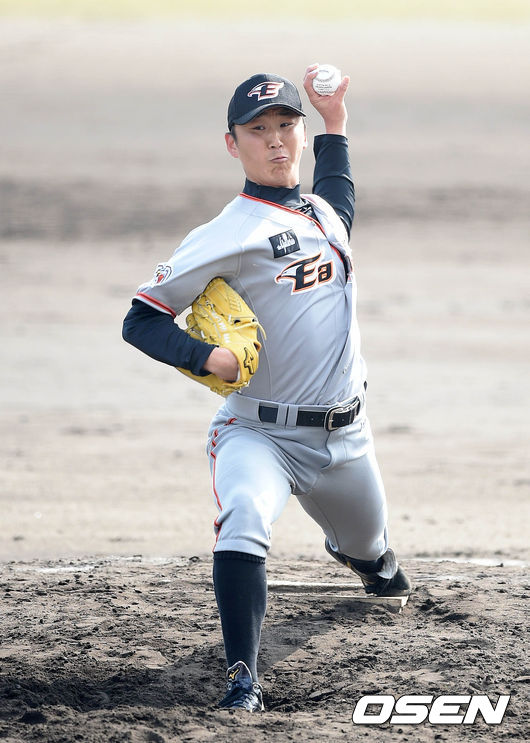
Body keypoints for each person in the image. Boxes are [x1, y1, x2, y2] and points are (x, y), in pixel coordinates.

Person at [122, 64, 411, 713]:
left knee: (371, 551)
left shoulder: (322, 212)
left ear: (299, 133)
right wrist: (207, 355)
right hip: (259, 433)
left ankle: (366, 560)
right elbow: (140, 318)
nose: (276, 139)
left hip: (347, 437)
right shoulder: (226, 234)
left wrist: (335, 122)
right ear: (233, 144)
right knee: (244, 517)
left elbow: (339, 194)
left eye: (286, 124)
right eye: (258, 130)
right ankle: (242, 680)